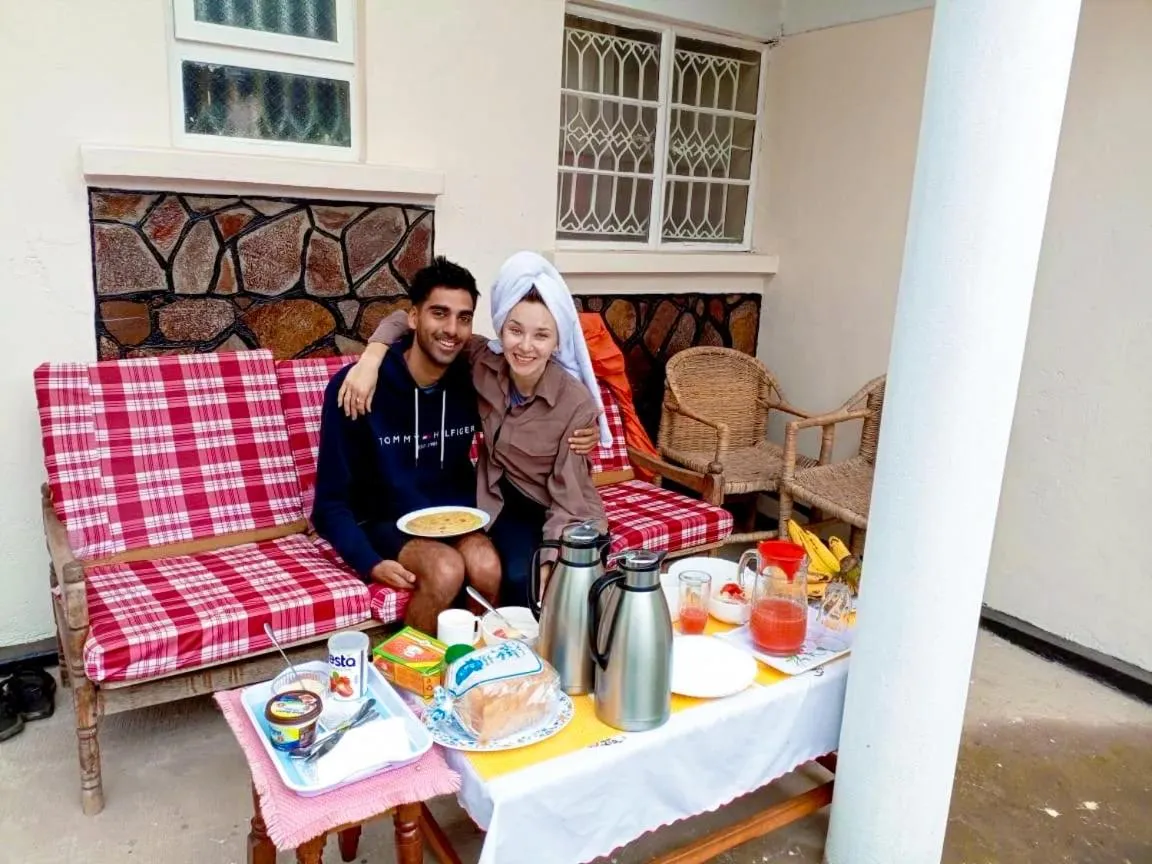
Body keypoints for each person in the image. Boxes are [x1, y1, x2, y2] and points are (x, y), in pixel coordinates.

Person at [340, 251, 609, 607]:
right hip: (501, 500)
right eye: (515, 330)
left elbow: (570, 498)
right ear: (501, 329)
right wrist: (371, 357)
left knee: (543, 584)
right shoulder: (484, 362)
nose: (525, 347)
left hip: (560, 507)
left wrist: (553, 556)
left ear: (557, 341)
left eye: (541, 335)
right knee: (505, 573)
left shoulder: (575, 405)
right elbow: (409, 319)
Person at [311, 257, 502, 635]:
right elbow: (329, 503)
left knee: (487, 565)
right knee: (446, 569)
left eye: (464, 318)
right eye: (439, 313)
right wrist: (369, 562)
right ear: (413, 318)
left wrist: (582, 428)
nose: (451, 329)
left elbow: (535, 386)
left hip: (454, 515)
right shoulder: (357, 389)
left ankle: (474, 673)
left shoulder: (473, 381)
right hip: (384, 521)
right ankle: (414, 681)